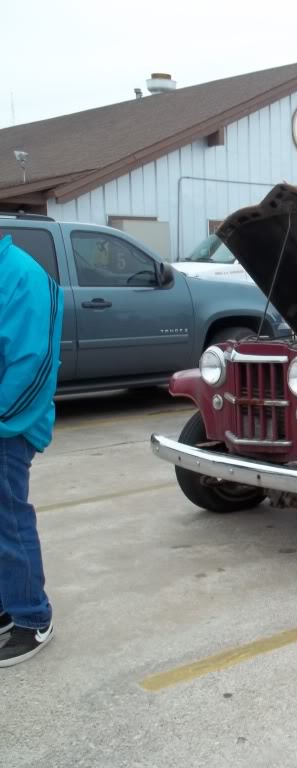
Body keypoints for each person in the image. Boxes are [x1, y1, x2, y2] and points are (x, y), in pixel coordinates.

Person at [0, 234, 63, 667]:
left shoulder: (20, 274)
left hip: (9, 424)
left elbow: (33, 363)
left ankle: (31, 616)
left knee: (7, 517)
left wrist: (4, 421)